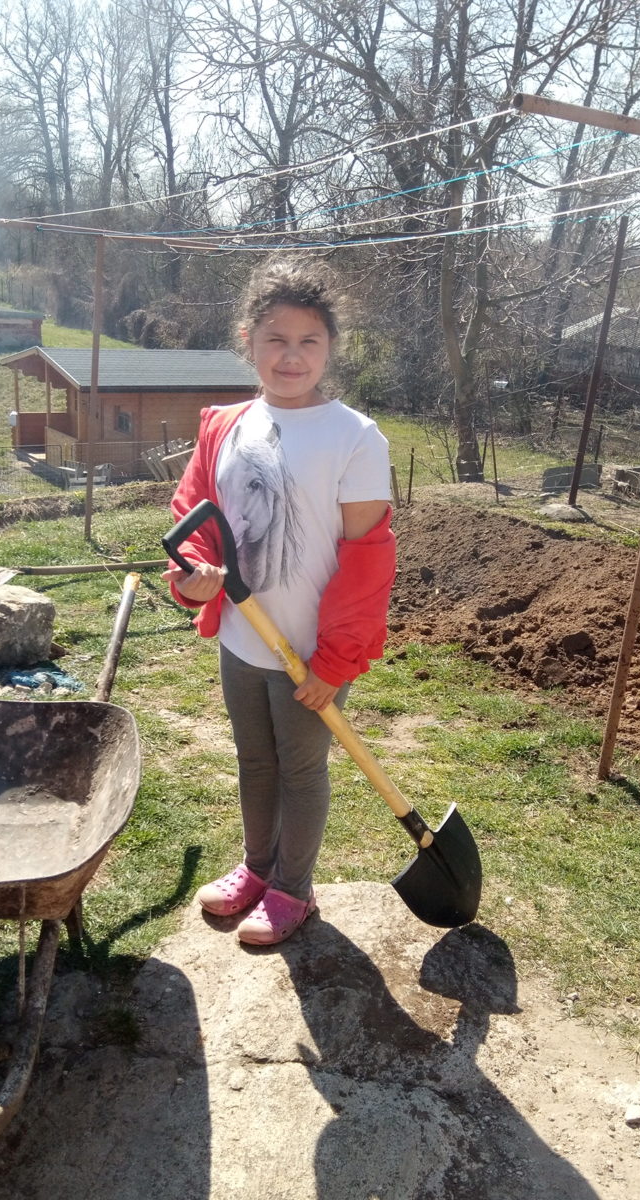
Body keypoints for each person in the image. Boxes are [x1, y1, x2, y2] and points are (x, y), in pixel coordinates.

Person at [165, 258, 396, 946]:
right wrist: (191, 573)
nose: (291, 356)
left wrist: (336, 661)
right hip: (244, 640)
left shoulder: (356, 437)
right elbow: (193, 515)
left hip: (313, 655)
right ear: (249, 340)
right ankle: (257, 868)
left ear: (330, 348)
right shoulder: (225, 425)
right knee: (254, 761)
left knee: (300, 768)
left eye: (308, 341)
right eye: (276, 339)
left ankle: (294, 888)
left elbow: (368, 559)